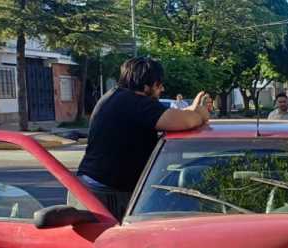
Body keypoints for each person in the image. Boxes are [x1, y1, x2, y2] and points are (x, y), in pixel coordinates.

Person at [73, 57, 210, 220]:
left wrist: (192, 110)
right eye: (159, 85)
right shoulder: (135, 103)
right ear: (146, 86)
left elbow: (175, 116)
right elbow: (186, 121)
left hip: (95, 187)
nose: (162, 89)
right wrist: (201, 114)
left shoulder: (119, 98)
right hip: (106, 194)